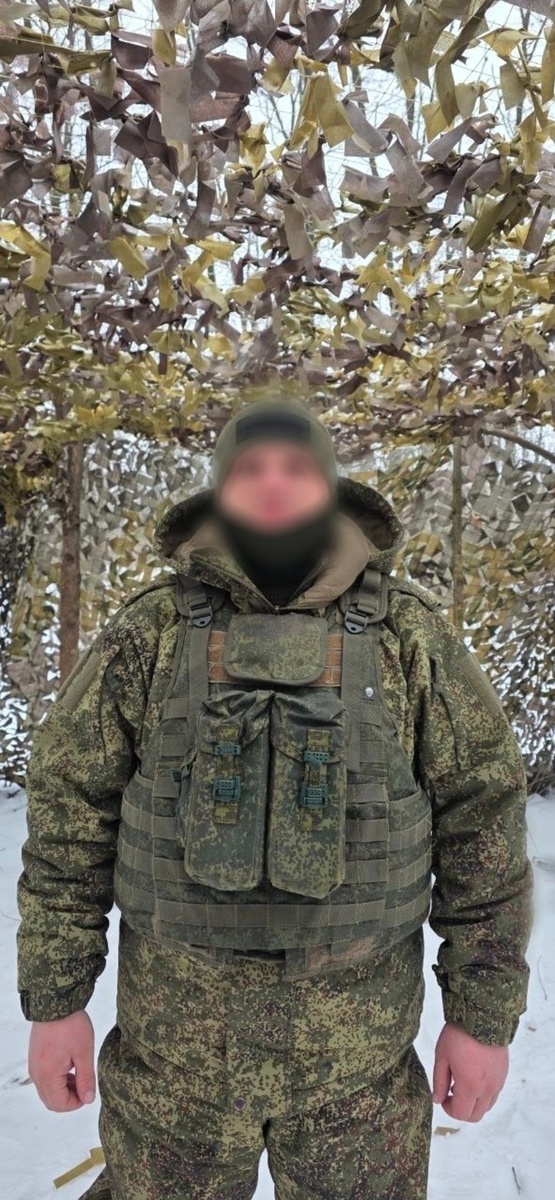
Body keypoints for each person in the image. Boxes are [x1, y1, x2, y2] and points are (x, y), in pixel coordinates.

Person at [17, 397, 532, 1200]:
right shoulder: (150, 634)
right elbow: (69, 814)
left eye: (295, 468)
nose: (272, 483)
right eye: (249, 468)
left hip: (355, 1071)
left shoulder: (407, 639)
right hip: (173, 1065)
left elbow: (483, 822)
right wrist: (56, 1002)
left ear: (328, 487)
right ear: (220, 490)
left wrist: (481, 1018)